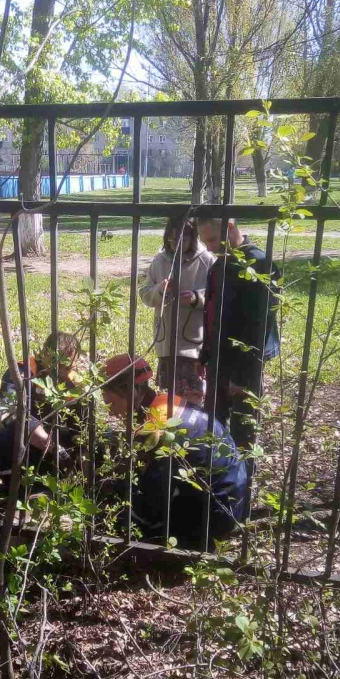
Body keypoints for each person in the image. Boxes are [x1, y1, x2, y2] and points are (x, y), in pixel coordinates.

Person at [100, 354, 247, 549]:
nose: (109, 412)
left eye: (110, 402)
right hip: (233, 499)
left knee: (125, 509)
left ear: (130, 391)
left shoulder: (156, 431)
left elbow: (152, 503)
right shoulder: (168, 403)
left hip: (213, 519)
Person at [196, 218, 281, 453]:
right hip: (219, 358)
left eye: (213, 239)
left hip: (245, 364)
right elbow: (213, 314)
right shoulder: (220, 265)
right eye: (205, 242)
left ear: (230, 226)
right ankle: (217, 470)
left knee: (243, 429)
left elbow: (259, 327)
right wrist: (205, 354)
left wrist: (241, 377)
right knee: (213, 423)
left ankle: (242, 473)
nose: (209, 248)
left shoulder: (259, 264)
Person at [0, 331, 83, 490]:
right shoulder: (23, 372)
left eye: (68, 366)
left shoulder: (73, 381)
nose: (61, 371)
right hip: (21, 439)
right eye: (57, 364)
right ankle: (17, 490)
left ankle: (57, 485)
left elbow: (81, 424)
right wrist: (52, 446)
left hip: (51, 440)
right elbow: (14, 411)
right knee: (4, 441)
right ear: (45, 352)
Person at [139, 214, 215, 405]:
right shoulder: (160, 260)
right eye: (171, 240)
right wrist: (160, 290)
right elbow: (145, 294)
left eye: (183, 240)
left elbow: (217, 296)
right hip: (166, 343)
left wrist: (196, 298)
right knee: (170, 398)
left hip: (193, 345)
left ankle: (192, 421)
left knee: (193, 397)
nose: (176, 245)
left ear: (193, 237)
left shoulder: (206, 260)